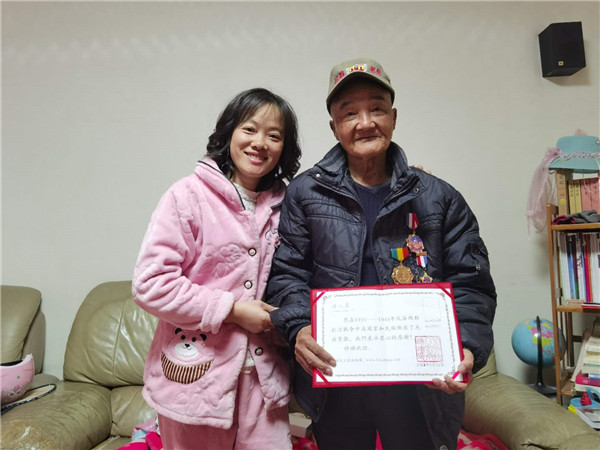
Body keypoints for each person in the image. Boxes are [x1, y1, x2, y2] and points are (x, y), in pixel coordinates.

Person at [266, 58, 497, 450]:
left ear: (393, 117)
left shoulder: (439, 197)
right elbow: (287, 273)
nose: (365, 122)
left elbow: (471, 283)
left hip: (418, 387)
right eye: (349, 113)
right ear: (334, 126)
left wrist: (465, 346)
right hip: (336, 380)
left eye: (376, 108)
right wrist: (299, 327)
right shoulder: (305, 194)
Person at [132, 88, 302, 450]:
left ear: (284, 148)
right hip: (195, 385)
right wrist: (233, 311)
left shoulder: (289, 205)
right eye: (249, 129)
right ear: (229, 132)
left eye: (274, 135)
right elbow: (151, 284)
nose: (260, 143)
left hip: (265, 387)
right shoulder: (187, 196)